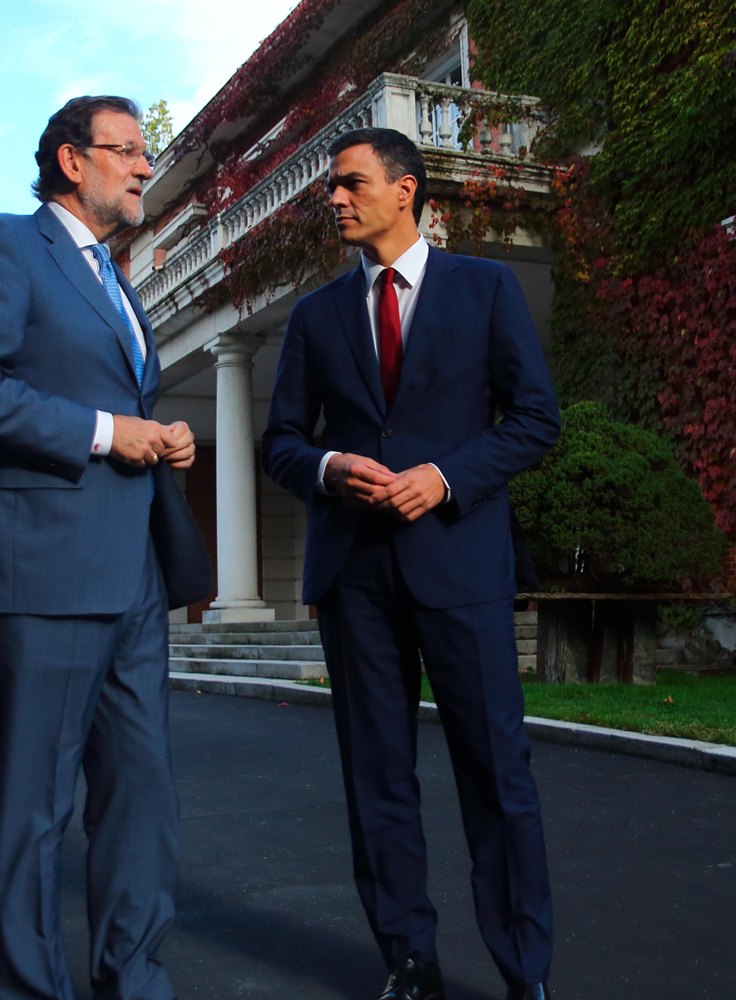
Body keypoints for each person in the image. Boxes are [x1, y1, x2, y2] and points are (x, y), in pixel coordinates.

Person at [0, 94, 212, 1000]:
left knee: (142, 800)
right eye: (126, 151)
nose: (142, 167)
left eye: (144, 153)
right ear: (70, 160)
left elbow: (108, 396)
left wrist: (156, 433)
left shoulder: (118, 282)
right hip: (43, 565)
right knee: (38, 809)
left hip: (134, 571)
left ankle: (135, 982)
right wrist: (101, 431)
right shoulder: (6, 243)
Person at [261, 127, 563, 1000]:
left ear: (407, 190)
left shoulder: (487, 287)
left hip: (461, 566)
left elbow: (535, 419)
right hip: (355, 576)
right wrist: (326, 468)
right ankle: (409, 959)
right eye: (332, 189)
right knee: (377, 775)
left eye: (351, 184)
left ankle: (524, 972)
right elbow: (279, 441)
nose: (335, 200)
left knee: (497, 773)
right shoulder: (317, 316)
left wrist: (445, 476)